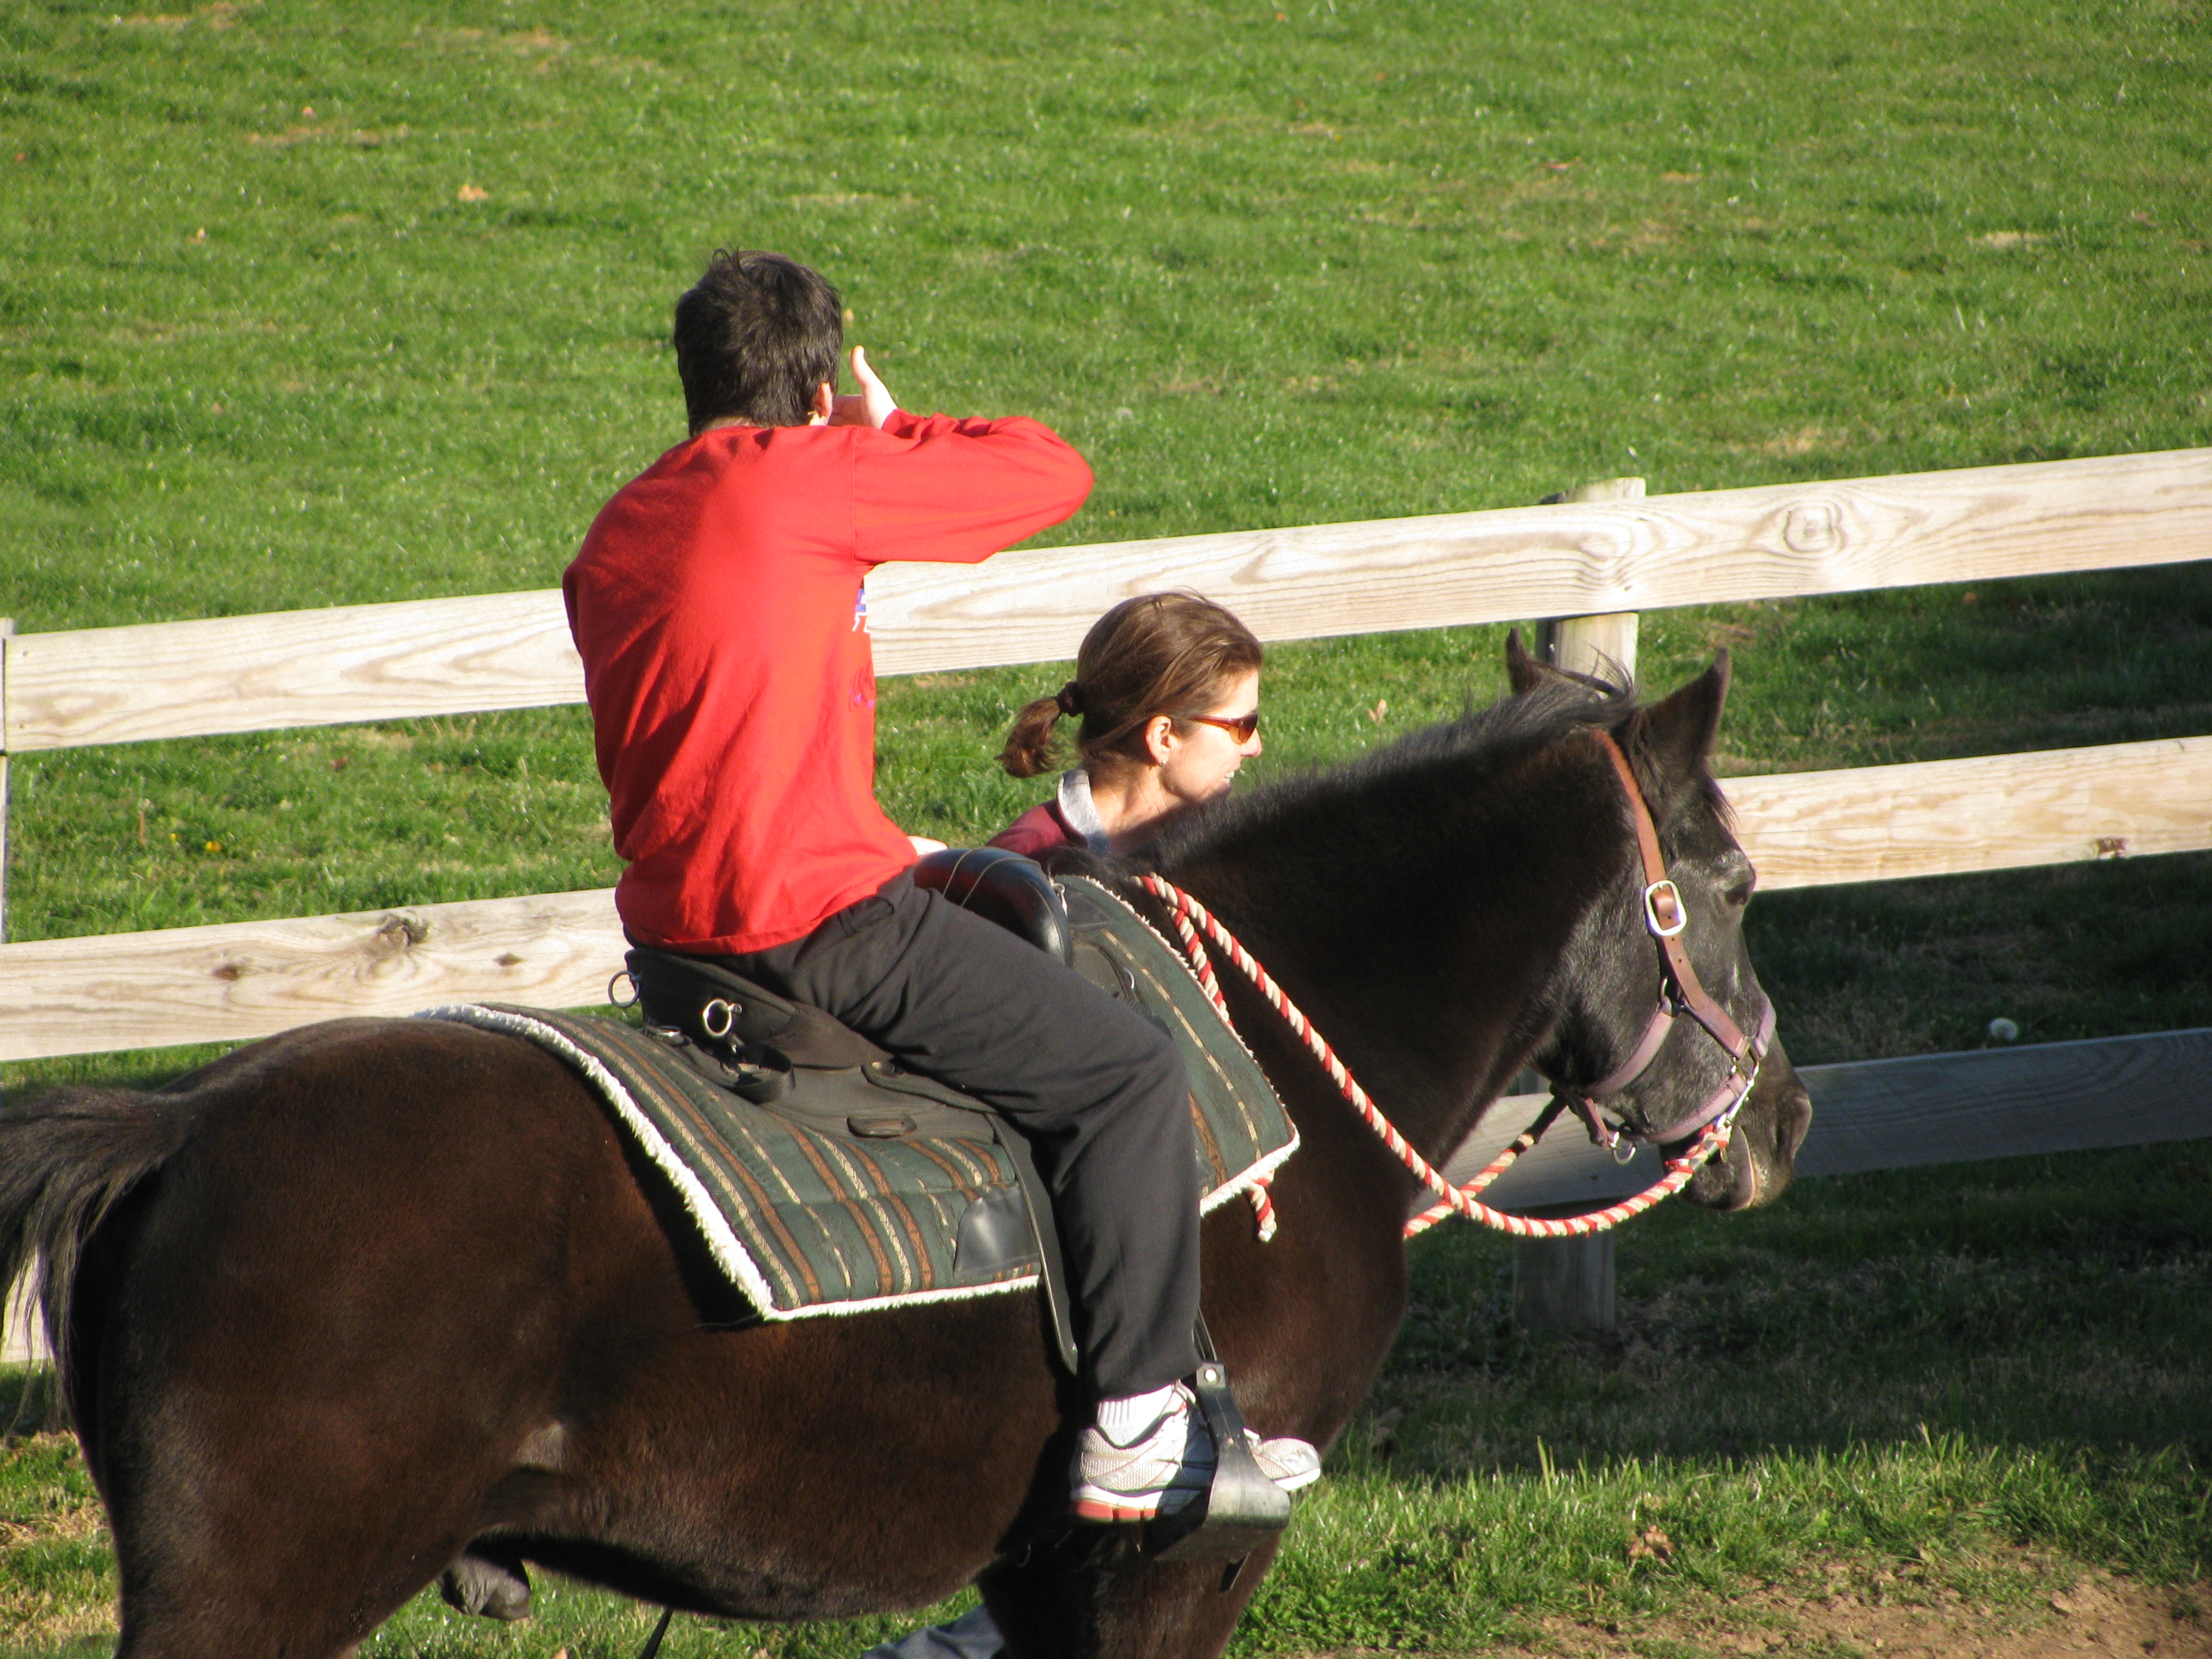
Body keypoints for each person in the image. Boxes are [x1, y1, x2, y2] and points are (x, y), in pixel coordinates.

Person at [562, 250, 1316, 1530]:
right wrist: (890, 430)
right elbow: (1051, 472)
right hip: (819, 923)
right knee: (1126, 1071)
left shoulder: (616, 531)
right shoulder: (804, 474)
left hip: (674, 938)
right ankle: (1136, 1424)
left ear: (693, 380)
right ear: (814, 393)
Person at [990, 592, 1264, 858]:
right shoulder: (1029, 862)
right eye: (1243, 726)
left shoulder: (1227, 850)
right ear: (1163, 738)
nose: (1256, 746)